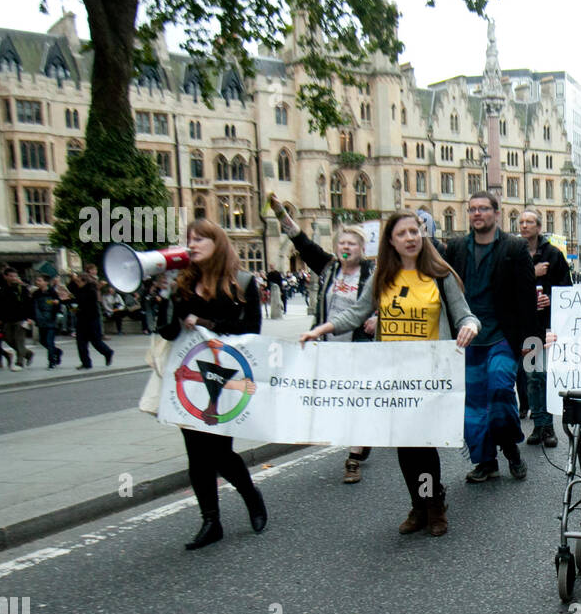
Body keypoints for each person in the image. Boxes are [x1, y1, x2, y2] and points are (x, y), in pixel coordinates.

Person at [300, 211, 480, 536]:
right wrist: (321, 329)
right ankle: (419, 504)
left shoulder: (440, 275)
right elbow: (356, 313)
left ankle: (433, 503)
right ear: (391, 241)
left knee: (423, 445)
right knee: (405, 447)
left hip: (429, 375)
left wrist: (468, 326)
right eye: (402, 233)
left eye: (415, 231)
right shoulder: (383, 275)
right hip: (392, 377)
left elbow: (466, 315)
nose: (410, 237)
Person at [157, 219, 267, 550]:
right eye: (189, 239)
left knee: (220, 452)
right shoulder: (183, 284)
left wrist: (205, 322)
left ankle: (251, 495)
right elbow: (169, 332)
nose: (192, 244)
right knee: (196, 454)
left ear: (216, 243)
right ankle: (210, 521)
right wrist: (165, 300)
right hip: (190, 379)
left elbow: (250, 329)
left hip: (226, 375)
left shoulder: (241, 282)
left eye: (199, 239)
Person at [270, 193, 375, 483]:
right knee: (340, 401)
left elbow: (387, 300)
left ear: (361, 248)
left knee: (358, 401)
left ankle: (353, 458)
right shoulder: (328, 268)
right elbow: (300, 241)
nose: (345, 247)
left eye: (351, 244)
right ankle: (362, 439)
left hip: (360, 347)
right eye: (342, 243)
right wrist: (280, 212)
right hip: (329, 347)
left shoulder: (372, 272)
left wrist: (376, 317)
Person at [444, 191, 535, 483]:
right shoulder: (456, 247)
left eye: (483, 208)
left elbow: (526, 297)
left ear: (497, 213)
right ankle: (486, 462)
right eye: (472, 209)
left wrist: (529, 344)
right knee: (473, 408)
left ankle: (510, 449)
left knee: (499, 390)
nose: (477, 214)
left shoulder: (514, 247)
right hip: (466, 339)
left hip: (502, 337)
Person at [518, 208, 572, 448]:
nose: (524, 226)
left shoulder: (553, 254)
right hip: (527, 325)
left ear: (539, 227)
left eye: (530, 222)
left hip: (549, 325)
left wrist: (551, 297)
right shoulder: (515, 253)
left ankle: (548, 427)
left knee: (546, 375)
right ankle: (538, 425)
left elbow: (566, 287)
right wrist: (531, 271)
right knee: (532, 377)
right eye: (521, 222)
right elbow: (508, 284)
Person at [67, 264, 113, 369]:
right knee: (81, 342)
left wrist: (74, 300)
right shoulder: (78, 288)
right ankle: (86, 363)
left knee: (95, 341)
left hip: (92, 319)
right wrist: (72, 278)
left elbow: (83, 301)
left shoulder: (91, 291)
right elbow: (71, 287)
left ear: (84, 281)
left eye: (79, 281)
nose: (77, 283)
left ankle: (108, 352)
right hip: (81, 318)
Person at [0, 266, 34, 369]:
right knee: (8, 339)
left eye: (15, 276)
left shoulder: (21, 288)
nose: (13, 278)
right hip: (7, 319)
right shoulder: (2, 289)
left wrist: (29, 317)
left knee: (19, 340)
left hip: (21, 318)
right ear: (6, 277)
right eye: (11, 276)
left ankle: (19, 362)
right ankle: (27, 353)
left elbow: (28, 303)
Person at [31, 274, 63, 368]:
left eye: (40, 280)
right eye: (37, 280)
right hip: (41, 320)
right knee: (43, 341)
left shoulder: (52, 292)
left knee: (49, 341)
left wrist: (56, 303)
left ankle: (51, 361)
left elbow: (57, 304)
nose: (37, 282)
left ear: (46, 282)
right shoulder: (36, 293)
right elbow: (33, 306)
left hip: (51, 319)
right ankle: (57, 351)